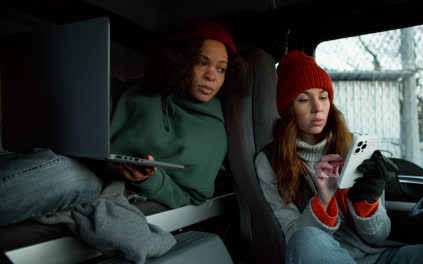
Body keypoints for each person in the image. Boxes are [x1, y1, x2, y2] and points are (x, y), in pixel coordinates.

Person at [0, 18, 243, 226]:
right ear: (182, 61)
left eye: (221, 69)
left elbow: (192, 196)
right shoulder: (142, 90)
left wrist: (150, 179)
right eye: (202, 62)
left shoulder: (213, 131)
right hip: (63, 148)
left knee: (68, 176)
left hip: (100, 179)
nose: (212, 75)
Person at [254, 50, 423, 264]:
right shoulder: (270, 161)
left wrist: (368, 201)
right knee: (305, 239)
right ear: (288, 108)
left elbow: (379, 234)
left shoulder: (354, 146)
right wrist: (323, 199)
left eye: (323, 97)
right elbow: (297, 242)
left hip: (379, 256)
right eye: (303, 99)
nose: (318, 108)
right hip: (329, 256)